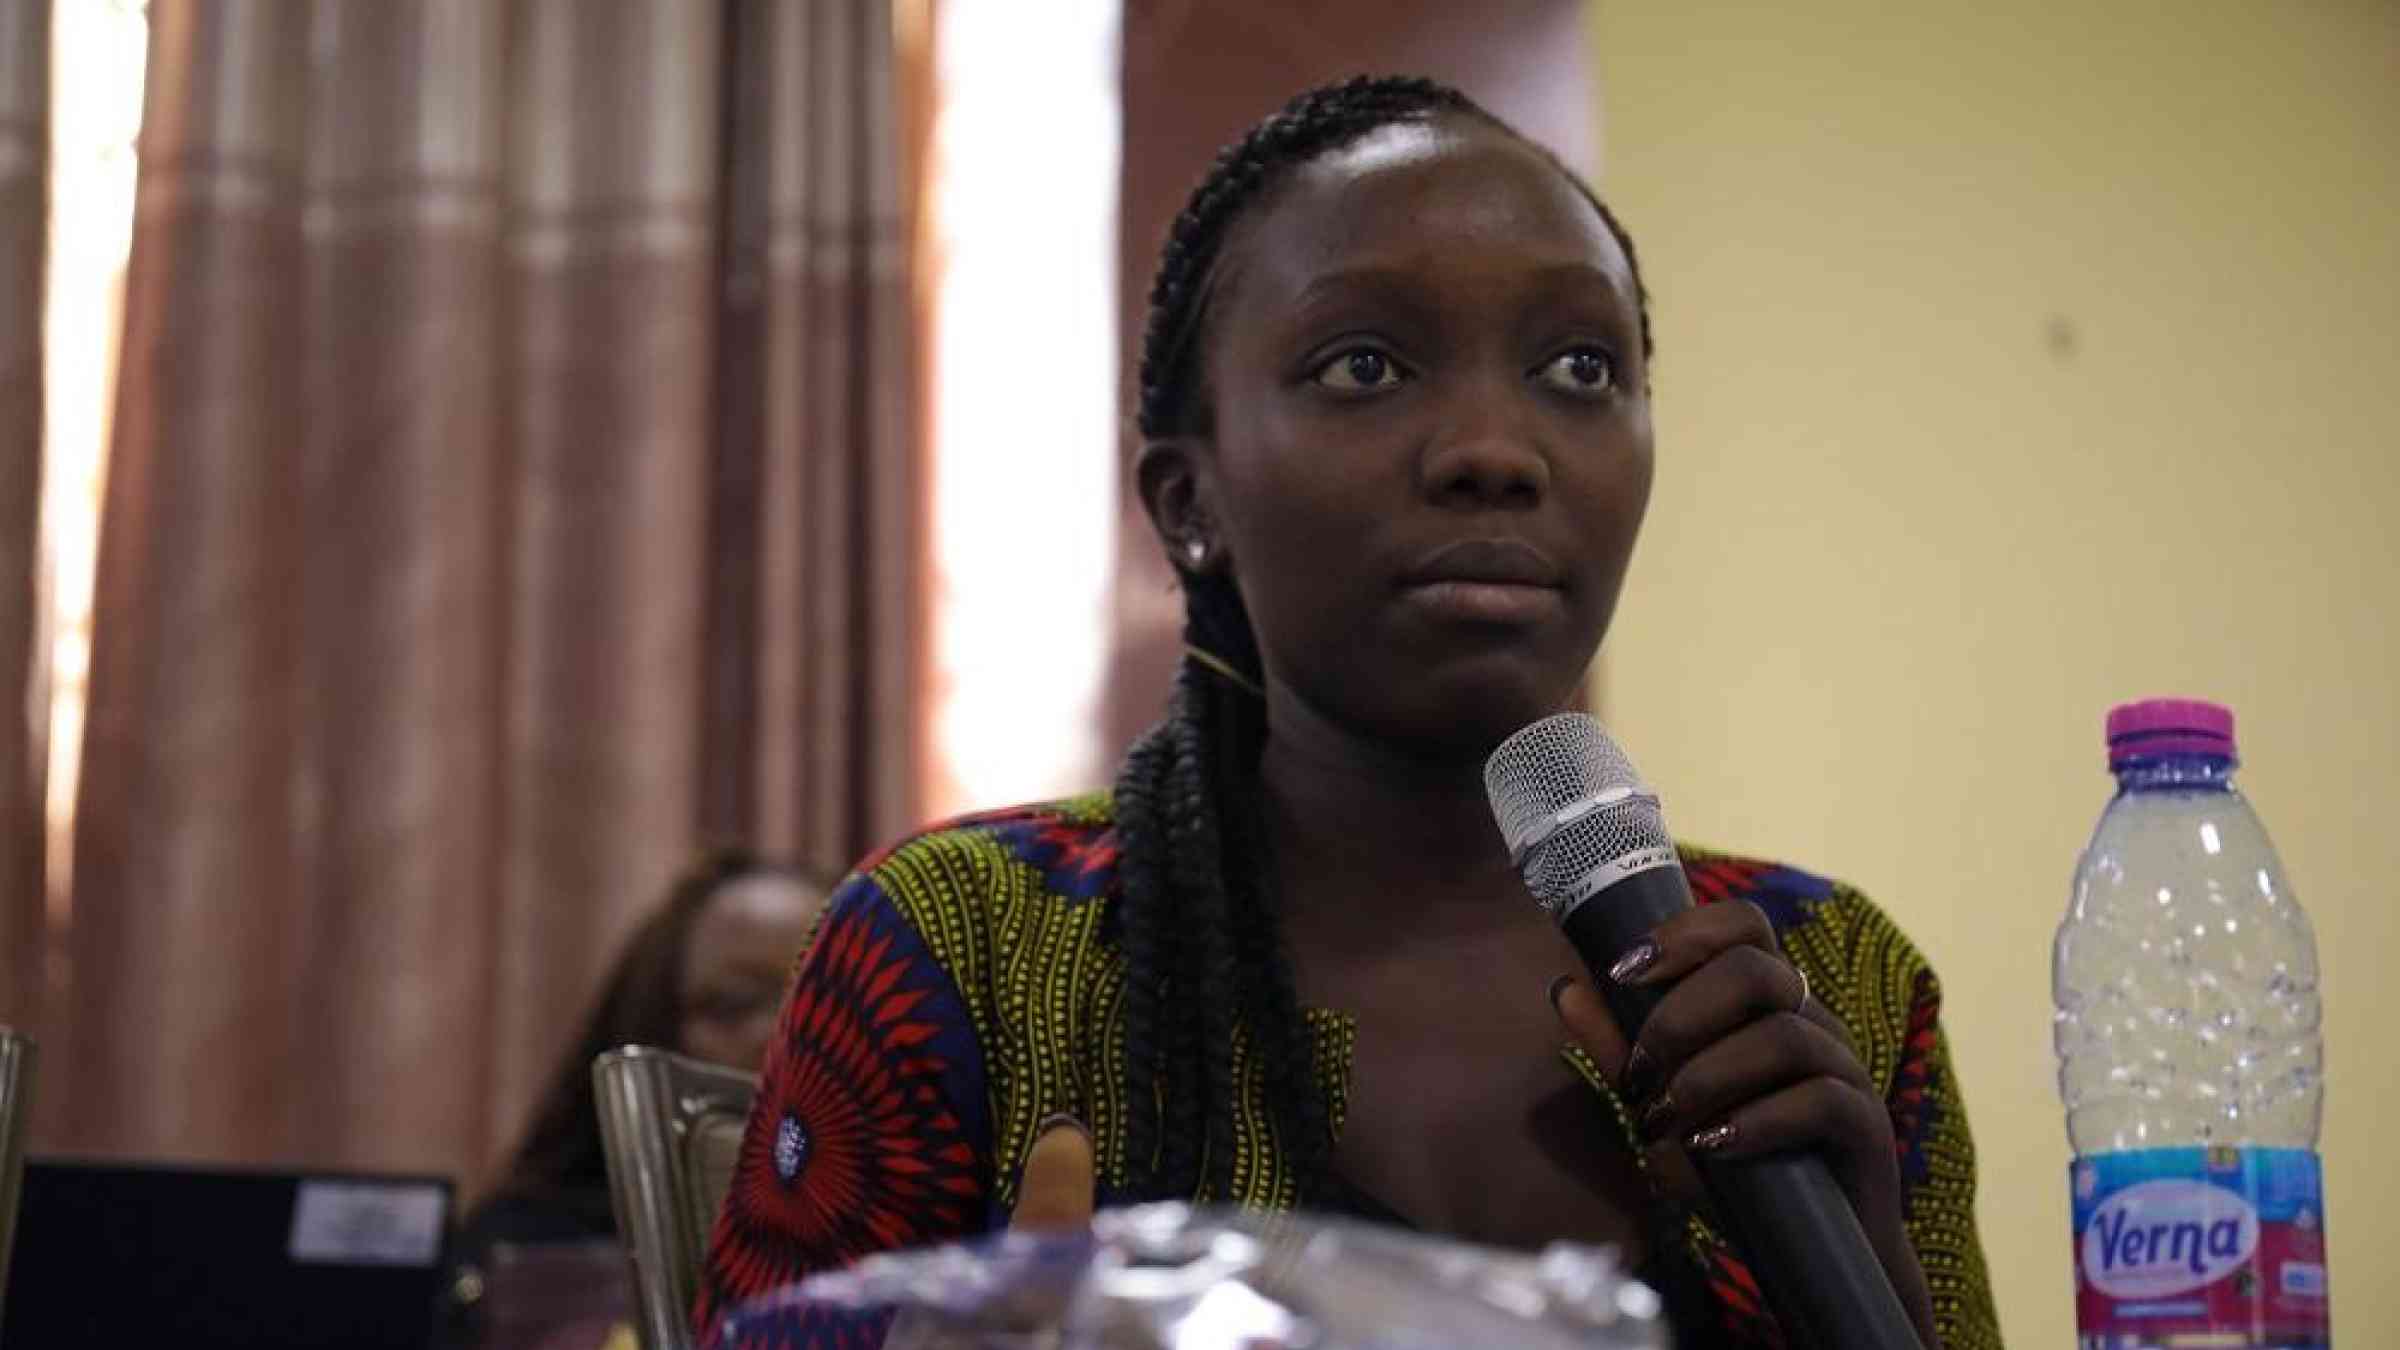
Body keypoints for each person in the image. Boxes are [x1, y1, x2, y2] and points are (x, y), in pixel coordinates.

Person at [695, 76, 2001, 1349]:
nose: (1497, 448)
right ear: (1188, 502)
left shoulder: (1830, 976)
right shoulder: (968, 951)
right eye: (1365, 364)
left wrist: (1869, 1292)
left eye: (1580, 364)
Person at [440, 850, 833, 1345]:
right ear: (654, 1029)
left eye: (821, 997)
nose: (781, 1031)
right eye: (733, 1004)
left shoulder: (932, 1232)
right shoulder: (523, 1251)